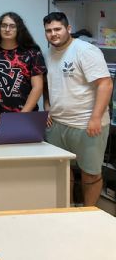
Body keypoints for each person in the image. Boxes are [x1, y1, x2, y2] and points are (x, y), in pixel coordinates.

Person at [43, 12, 113, 206]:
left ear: (68, 29)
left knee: (90, 173)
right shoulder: (49, 53)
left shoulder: (85, 50)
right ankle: (69, 209)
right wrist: (47, 108)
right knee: (63, 172)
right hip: (57, 123)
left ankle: (88, 213)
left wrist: (96, 117)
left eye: (57, 29)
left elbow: (105, 84)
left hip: (86, 124)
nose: (53, 34)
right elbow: (49, 85)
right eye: (48, 31)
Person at [0, 12, 46, 127]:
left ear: (19, 29)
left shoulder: (32, 53)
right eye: (4, 25)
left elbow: (37, 87)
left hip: (26, 117)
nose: (7, 29)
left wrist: (23, 115)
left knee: (26, 145)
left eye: (12, 26)